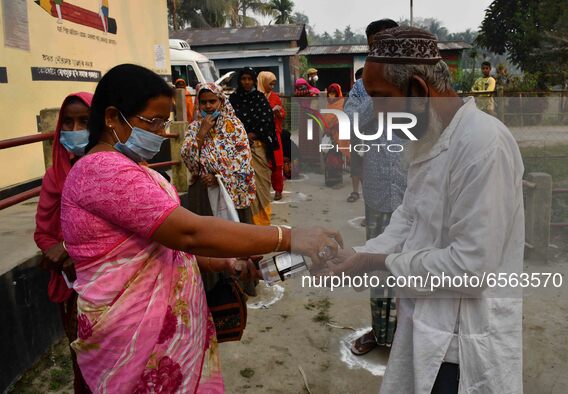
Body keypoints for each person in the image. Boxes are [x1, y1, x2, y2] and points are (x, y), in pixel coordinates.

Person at [60, 64, 342, 393]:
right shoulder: (101, 170)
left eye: (164, 123)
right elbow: (190, 233)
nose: (162, 133)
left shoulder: (134, 167)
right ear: (112, 117)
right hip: (135, 340)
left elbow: (159, 246)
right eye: (154, 122)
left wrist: (219, 263)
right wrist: (290, 237)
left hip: (167, 334)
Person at [330, 27, 524, 393]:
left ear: (418, 92)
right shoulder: (428, 139)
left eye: (381, 97)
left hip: (462, 344)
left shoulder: (483, 145)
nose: (375, 113)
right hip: (424, 324)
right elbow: (409, 216)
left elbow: (471, 268)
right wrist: (360, 255)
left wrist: (379, 264)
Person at [343, 18, 406, 356]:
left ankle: (409, 336)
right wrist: (376, 94)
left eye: (385, 44)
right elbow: (350, 120)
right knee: (379, 263)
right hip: (380, 193)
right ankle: (381, 333)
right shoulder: (361, 87)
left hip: (418, 191)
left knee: (419, 264)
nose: (379, 51)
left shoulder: (415, 80)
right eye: (373, 46)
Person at [34, 92, 94, 394]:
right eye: (67, 122)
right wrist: (55, 252)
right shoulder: (54, 176)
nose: (74, 130)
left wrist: (73, 249)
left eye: (83, 121)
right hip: (74, 288)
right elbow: (43, 233)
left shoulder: (118, 170)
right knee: (84, 361)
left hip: (117, 283)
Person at [181, 82, 255, 222]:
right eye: (203, 102)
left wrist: (218, 178)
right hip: (202, 190)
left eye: (212, 101)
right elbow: (188, 159)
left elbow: (242, 162)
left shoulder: (234, 126)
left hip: (231, 190)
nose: (208, 106)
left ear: (221, 101)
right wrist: (202, 133)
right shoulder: (194, 127)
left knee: (235, 233)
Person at [229, 67, 278, 226]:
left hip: (257, 148)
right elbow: (228, 123)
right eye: (243, 79)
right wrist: (242, 136)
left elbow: (267, 121)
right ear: (239, 80)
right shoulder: (233, 100)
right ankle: (245, 224)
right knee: (241, 186)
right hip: (237, 150)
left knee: (261, 186)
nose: (247, 82)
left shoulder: (260, 98)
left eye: (250, 79)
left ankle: (262, 223)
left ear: (254, 80)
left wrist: (253, 134)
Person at [258, 71, 286, 201]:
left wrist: (278, 112)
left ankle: (278, 190)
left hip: (275, 134)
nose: (272, 87)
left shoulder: (275, 97)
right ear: (263, 82)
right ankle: (262, 190)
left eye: (274, 84)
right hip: (260, 135)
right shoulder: (256, 97)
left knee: (277, 164)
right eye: (270, 84)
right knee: (262, 164)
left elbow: (282, 114)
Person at [346, 68, 365, 204]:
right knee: (356, 163)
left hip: (374, 135)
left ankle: (366, 197)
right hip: (357, 134)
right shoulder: (355, 93)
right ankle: (355, 191)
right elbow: (349, 113)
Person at [323, 83, 346, 187]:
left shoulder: (342, 103)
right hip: (328, 134)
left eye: (334, 93)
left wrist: (332, 127)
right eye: (330, 94)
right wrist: (326, 129)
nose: (331, 96)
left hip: (338, 134)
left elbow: (343, 117)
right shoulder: (329, 104)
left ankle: (337, 179)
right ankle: (329, 179)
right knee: (328, 156)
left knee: (337, 156)